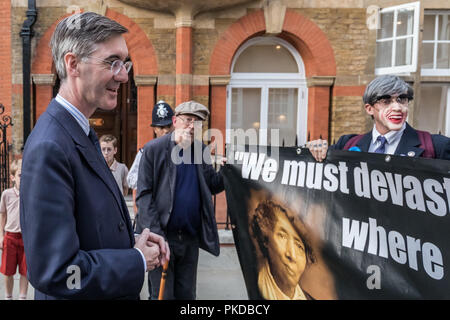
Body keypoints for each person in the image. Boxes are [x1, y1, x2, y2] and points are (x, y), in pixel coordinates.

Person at [20, 12, 169, 300]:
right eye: (112, 62)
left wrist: (134, 243)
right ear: (73, 64)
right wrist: (135, 261)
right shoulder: (49, 146)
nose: (124, 75)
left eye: (124, 63)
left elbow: (91, 226)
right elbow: (57, 271)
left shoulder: (79, 130)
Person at [136, 100, 226, 300]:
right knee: (162, 296)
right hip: (162, 238)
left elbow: (211, 184)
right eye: (188, 120)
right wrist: (157, 239)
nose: (192, 126)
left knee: (187, 297)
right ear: (175, 120)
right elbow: (144, 196)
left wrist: (228, 172)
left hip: (189, 239)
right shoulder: (154, 149)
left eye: (198, 122)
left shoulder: (200, 151)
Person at [307, 75, 450, 162]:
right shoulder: (347, 144)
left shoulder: (438, 146)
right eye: (386, 101)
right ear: (369, 109)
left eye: (402, 99)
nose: (397, 108)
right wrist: (314, 148)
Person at [126, 100, 174, 298]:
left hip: (171, 224)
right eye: (159, 128)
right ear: (154, 130)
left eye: (166, 127)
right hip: (150, 223)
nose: (163, 132)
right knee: (156, 281)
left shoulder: (180, 152)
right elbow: (131, 179)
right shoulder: (146, 151)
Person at [250, 199, 315, 300]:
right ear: (265, 240)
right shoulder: (250, 286)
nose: (292, 255)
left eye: (299, 246)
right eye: (282, 236)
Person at [0, 159, 28, 300]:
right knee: (8, 271)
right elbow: (3, 214)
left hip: (26, 238)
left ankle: (22, 297)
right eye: (20, 175)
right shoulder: (6, 194)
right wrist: (1, 236)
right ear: (12, 177)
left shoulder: (30, 194)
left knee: (25, 271)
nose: (23, 179)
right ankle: (8, 296)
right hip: (10, 236)